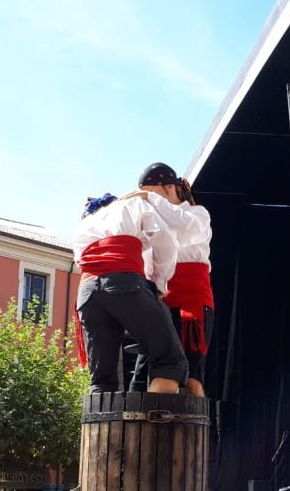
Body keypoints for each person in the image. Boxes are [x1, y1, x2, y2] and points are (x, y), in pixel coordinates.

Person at [72, 188, 189, 394]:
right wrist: (159, 284)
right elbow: (164, 240)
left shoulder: (85, 223)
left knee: (102, 380)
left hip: (87, 292)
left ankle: (101, 424)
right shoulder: (132, 204)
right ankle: (155, 425)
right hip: (123, 283)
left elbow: (83, 260)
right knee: (170, 361)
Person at [129, 163, 214, 397]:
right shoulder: (149, 219)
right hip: (159, 301)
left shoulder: (198, 214)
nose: (146, 200)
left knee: (192, 379)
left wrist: (150, 199)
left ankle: (195, 433)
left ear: (169, 188)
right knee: (143, 373)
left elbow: (184, 231)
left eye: (152, 193)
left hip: (192, 303)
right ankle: (138, 431)